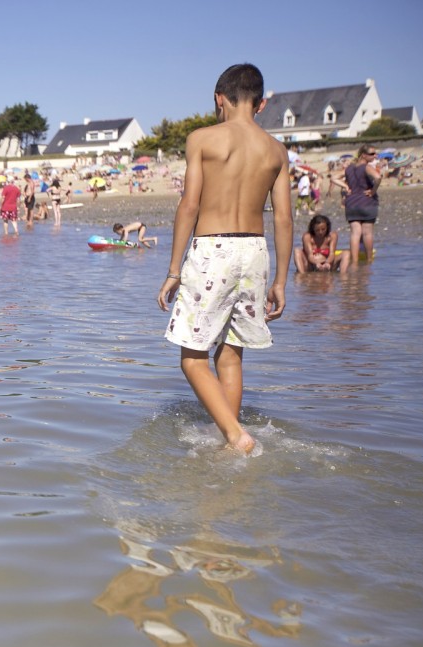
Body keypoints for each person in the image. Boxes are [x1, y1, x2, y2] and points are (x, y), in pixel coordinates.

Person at [156, 63, 291, 455]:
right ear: (261, 103)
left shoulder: (202, 139)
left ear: (220, 99)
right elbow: (283, 217)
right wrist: (281, 280)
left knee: (192, 359)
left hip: (212, 248)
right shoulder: (276, 150)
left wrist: (173, 269)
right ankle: (229, 440)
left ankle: (236, 436)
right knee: (230, 355)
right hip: (256, 251)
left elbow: (190, 204)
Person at [340, 144, 380, 263]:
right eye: (372, 154)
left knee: (355, 234)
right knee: (367, 233)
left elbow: (333, 178)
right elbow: (378, 177)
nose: (375, 155)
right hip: (367, 202)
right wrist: (373, 191)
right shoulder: (366, 167)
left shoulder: (349, 168)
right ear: (363, 155)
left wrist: (345, 186)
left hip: (351, 203)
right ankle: (368, 260)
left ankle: (355, 262)